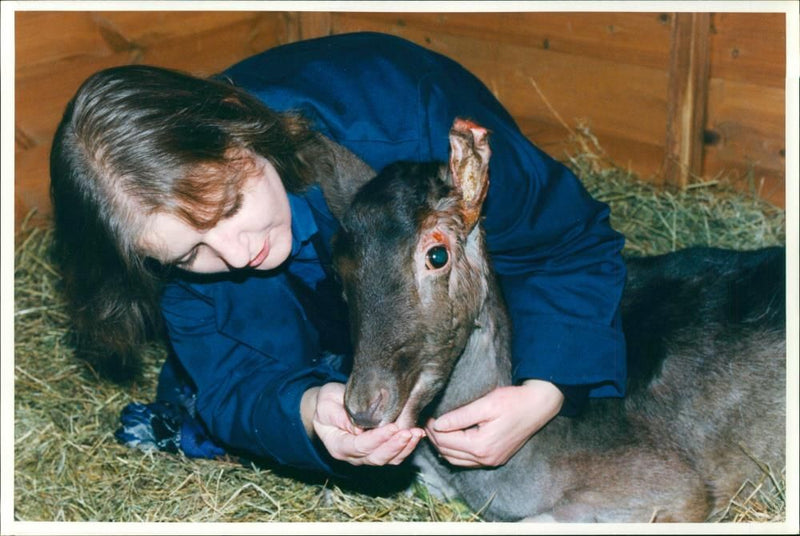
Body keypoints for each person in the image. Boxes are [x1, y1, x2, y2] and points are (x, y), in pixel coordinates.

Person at [50, 32, 627, 477]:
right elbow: (230, 380)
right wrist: (305, 412)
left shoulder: (414, 124)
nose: (235, 252)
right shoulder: (166, 233)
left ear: (239, 131)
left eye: (229, 207)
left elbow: (567, 240)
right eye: (186, 254)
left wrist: (546, 389)